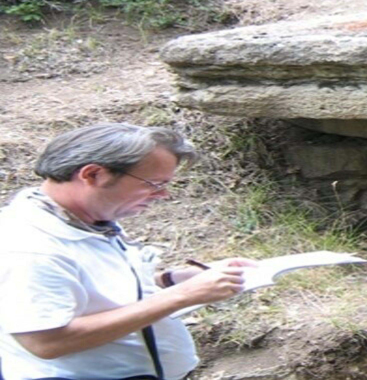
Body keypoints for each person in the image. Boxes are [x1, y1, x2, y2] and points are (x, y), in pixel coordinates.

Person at [0, 123, 257, 380]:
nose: (163, 194)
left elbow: (88, 296)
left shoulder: (86, 220)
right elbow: (46, 342)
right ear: (93, 175)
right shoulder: (30, 247)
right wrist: (182, 295)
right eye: (154, 183)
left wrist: (172, 280)